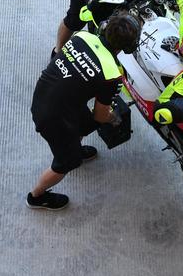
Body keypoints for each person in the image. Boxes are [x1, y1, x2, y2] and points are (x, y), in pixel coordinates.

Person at [27, 13, 142, 210]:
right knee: (67, 162)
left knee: (84, 121)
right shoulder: (111, 75)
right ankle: (37, 196)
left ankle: (75, 145)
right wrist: (113, 118)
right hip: (53, 119)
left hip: (44, 95)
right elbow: (100, 115)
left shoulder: (82, 37)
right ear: (128, 47)